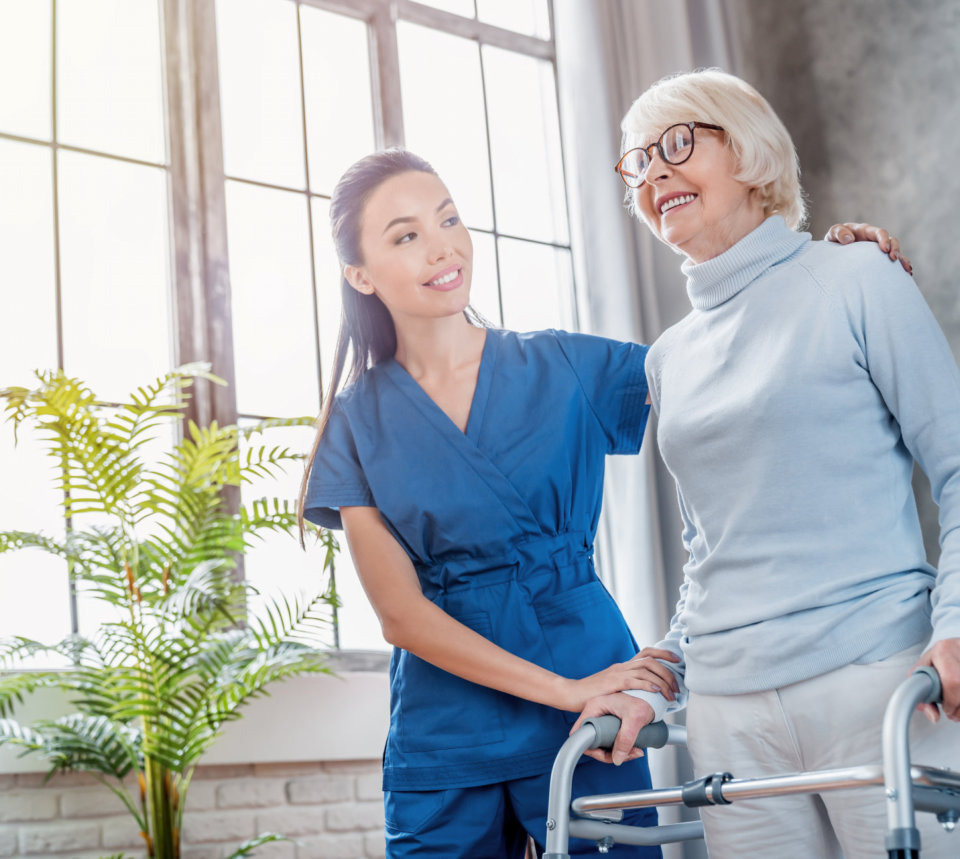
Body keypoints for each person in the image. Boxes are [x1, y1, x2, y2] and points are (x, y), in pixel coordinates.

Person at [297, 147, 904, 858]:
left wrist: (824, 276)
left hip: (596, 707)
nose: (443, 247)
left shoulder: (568, 367)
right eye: (405, 235)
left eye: (449, 219)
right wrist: (565, 690)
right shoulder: (355, 420)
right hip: (451, 725)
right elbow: (400, 614)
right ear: (359, 274)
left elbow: (732, 368)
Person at [575, 69, 960, 858]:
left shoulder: (857, 277)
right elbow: (711, 550)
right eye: (637, 162)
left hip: (877, 682)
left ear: (748, 151)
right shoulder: (668, 360)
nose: (653, 172)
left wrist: (956, 626)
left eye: (677, 143)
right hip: (727, 712)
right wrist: (664, 671)